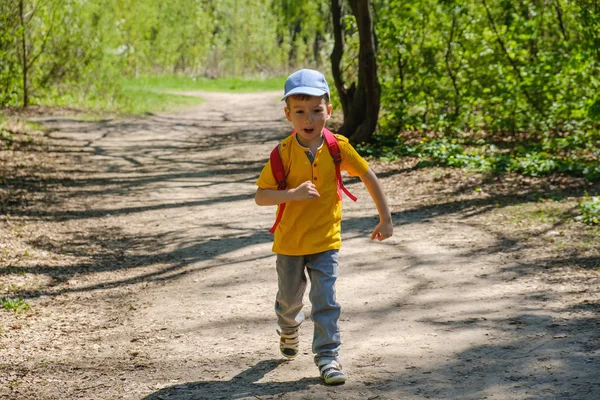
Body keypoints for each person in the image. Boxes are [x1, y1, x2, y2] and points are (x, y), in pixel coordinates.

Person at [255, 69, 393, 385]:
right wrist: (292, 194)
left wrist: (385, 219)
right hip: (289, 243)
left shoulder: (337, 147)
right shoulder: (282, 154)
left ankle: (328, 357)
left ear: (328, 111)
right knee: (289, 301)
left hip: (325, 241)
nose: (309, 118)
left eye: (317, 110)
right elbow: (261, 196)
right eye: (300, 112)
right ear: (288, 114)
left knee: (326, 300)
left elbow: (368, 176)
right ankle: (288, 329)